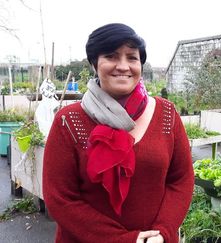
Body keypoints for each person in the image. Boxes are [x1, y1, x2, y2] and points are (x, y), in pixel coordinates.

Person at [43, 23, 194, 243]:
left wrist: (162, 232)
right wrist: (124, 239)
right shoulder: (69, 121)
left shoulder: (167, 114)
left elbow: (180, 180)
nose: (123, 66)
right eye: (112, 56)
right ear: (95, 64)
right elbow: (61, 198)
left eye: (132, 57)